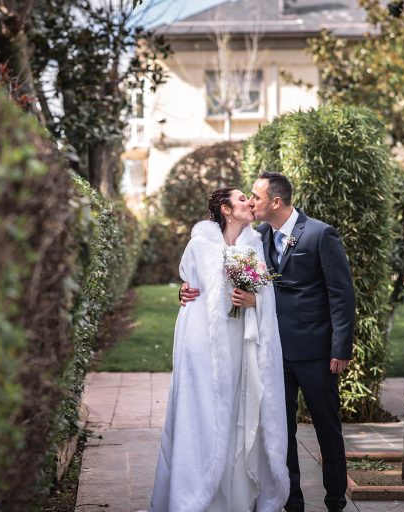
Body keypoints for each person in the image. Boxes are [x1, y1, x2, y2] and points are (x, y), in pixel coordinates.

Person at [180, 172, 355, 512]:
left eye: (256, 197)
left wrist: (341, 347)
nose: (250, 202)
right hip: (271, 351)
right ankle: (293, 501)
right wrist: (186, 289)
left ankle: (335, 500)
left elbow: (341, 294)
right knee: (279, 430)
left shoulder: (319, 234)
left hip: (315, 352)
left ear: (275, 201)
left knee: (327, 427)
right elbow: (218, 270)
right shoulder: (256, 237)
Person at [151, 188, 289, 512]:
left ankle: (233, 498)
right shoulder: (199, 244)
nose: (249, 203)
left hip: (241, 345)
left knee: (236, 413)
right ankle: (195, 495)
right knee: (201, 414)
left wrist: (255, 300)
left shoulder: (254, 245)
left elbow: (267, 291)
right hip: (201, 346)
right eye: (241, 199)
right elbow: (190, 287)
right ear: (226, 209)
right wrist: (183, 292)